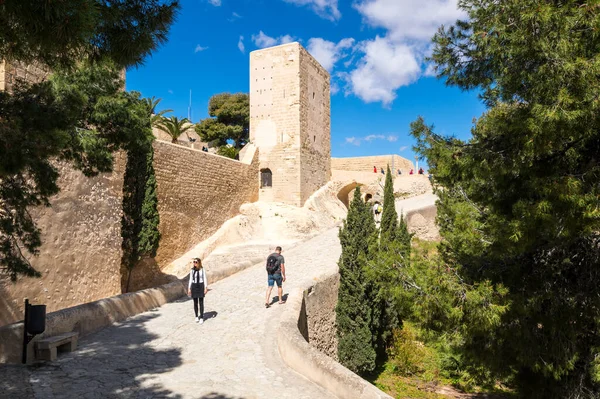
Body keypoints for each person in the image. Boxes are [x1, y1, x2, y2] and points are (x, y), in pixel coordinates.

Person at [188, 258, 208, 324]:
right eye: (194, 262)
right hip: (194, 286)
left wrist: (205, 287)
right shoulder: (192, 270)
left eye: (196, 262)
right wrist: (189, 288)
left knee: (201, 302)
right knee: (195, 302)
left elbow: (204, 278)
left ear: (199, 263)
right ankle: (196, 316)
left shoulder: (202, 270)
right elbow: (190, 279)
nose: (194, 263)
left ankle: (201, 317)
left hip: (200, 286)